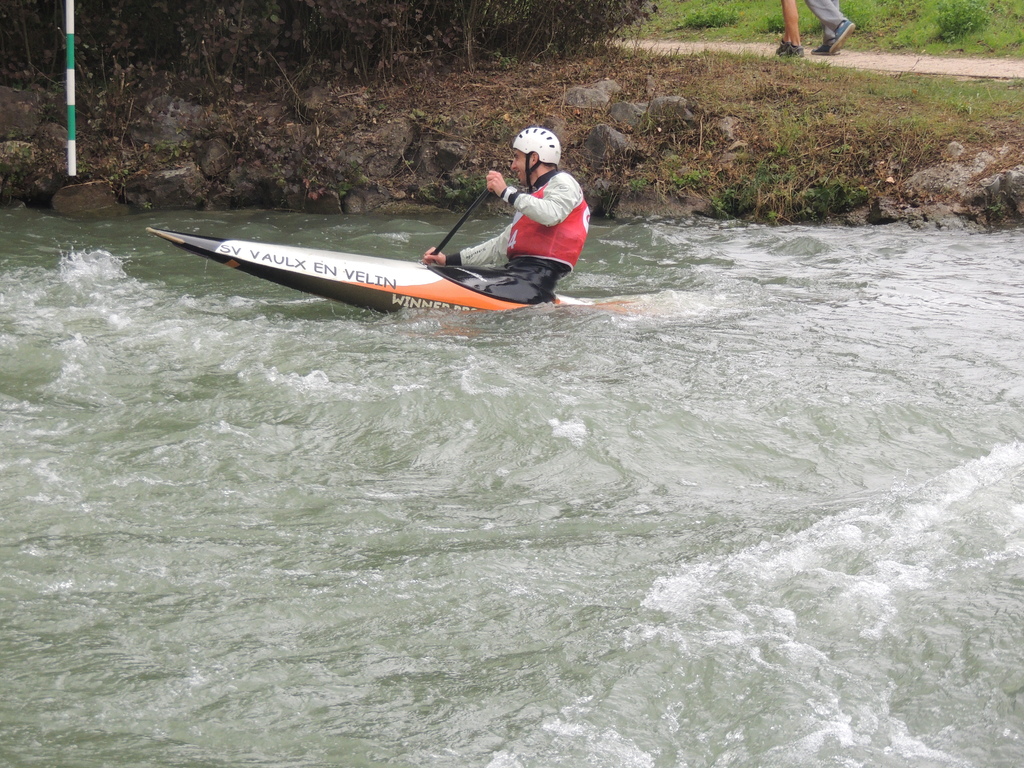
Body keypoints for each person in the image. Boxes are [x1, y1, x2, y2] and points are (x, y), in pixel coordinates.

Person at [422, 126, 590, 302]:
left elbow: (552, 214)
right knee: (453, 272)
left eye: (517, 157)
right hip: (515, 277)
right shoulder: (532, 204)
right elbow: (497, 247)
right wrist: (448, 261)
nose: (513, 166)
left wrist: (505, 192)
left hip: (532, 286)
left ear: (534, 158)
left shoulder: (564, 182)